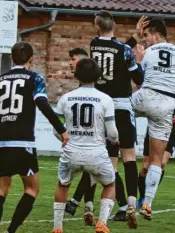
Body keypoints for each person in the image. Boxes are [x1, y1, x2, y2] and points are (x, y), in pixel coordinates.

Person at [0, 42, 69, 233]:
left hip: (2, 143)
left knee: (1, 188)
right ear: (31, 59)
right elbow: (43, 105)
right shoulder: (34, 78)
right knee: (31, 189)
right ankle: (11, 231)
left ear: (11, 59)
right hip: (23, 142)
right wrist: (62, 130)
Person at [67, 11, 145, 228]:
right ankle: (130, 204)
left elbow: (114, 47)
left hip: (100, 107)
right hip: (120, 106)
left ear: (97, 27)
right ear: (114, 25)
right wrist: (136, 61)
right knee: (128, 157)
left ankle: (89, 206)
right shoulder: (123, 50)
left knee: (101, 159)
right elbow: (138, 76)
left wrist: (132, 41)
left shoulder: (93, 45)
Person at [131, 17, 175, 220]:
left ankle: (108, 137)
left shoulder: (148, 51)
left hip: (146, 95)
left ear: (155, 33)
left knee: (114, 108)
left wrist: (137, 52)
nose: (146, 40)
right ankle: (148, 203)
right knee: (156, 160)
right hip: (166, 106)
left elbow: (137, 74)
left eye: (147, 36)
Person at [52, 58, 119, 233]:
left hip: (71, 151)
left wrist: (66, 139)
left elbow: (56, 130)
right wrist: (114, 140)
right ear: (97, 75)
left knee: (63, 184)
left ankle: (57, 228)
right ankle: (102, 223)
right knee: (110, 184)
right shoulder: (105, 99)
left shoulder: (65, 99)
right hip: (96, 152)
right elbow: (112, 133)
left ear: (77, 76)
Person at [137, 46, 175, 207]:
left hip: (173, 125)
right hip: (158, 120)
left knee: (162, 163)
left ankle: (148, 200)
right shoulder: (161, 76)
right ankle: (141, 197)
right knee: (145, 167)